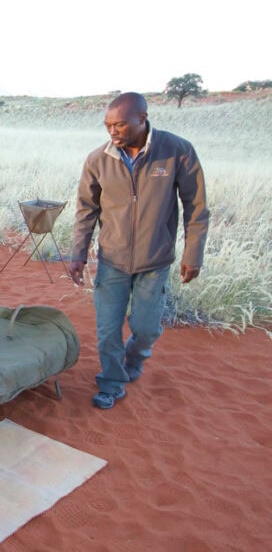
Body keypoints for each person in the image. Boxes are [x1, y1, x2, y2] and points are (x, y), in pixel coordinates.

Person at [69, 92, 210, 410]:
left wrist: (193, 253)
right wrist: (78, 253)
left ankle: (132, 364)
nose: (112, 132)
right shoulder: (98, 159)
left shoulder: (176, 151)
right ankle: (112, 382)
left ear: (142, 119)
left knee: (146, 328)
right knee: (107, 330)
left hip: (154, 260)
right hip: (112, 260)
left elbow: (196, 206)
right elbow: (86, 210)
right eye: (107, 125)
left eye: (119, 124)